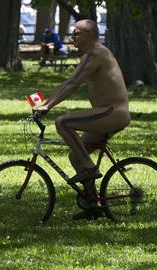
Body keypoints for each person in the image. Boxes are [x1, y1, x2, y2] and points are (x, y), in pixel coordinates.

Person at [33, 20, 131, 219]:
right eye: (73, 33)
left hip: (112, 112)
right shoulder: (92, 54)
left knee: (63, 122)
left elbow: (73, 84)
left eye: (77, 33)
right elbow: (69, 82)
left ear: (90, 35)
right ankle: (93, 206)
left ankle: (88, 168)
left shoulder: (96, 54)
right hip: (108, 112)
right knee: (74, 156)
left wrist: (48, 106)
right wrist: (45, 103)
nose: (73, 36)